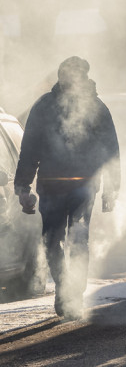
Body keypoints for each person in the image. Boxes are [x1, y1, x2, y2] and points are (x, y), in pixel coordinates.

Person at [14, 57, 120, 320]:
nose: (69, 81)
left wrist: (111, 188)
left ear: (84, 78)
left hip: (85, 186)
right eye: (65, 76)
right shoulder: (44, 107)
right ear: (59, 78)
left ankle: (75, 293)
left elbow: (111, 151)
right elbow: (29, 149)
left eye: (75, 76)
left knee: (79, 240)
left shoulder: (96, 107)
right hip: (50, 186)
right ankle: (64, 286)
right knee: (51, 240)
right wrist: (23, 186)